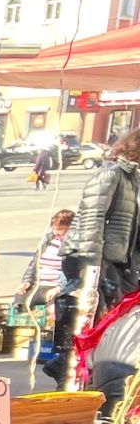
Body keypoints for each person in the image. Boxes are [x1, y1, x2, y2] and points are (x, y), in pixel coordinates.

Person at [63, 127, 140, 406]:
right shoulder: (112, 173)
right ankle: (73, 393)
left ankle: (95, 392)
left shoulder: (134, 179)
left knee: (108, 329)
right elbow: (92, 219)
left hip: (118, 264)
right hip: (91, 261)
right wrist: (93, 267)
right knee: (84, 328)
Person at [21, 209, 77, 312]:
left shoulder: (73, 245)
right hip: (39, 284)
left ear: (70, 228)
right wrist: (27, 281)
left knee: (53, 310)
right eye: (54, 229)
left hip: (56, 286)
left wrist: (59, 288)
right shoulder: (49, 239)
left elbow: (72, 272)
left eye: (59, 229)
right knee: (19, 304)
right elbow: (34, 263)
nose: (55, 232)